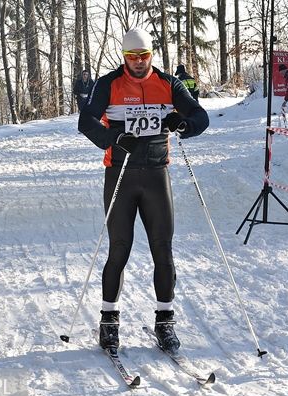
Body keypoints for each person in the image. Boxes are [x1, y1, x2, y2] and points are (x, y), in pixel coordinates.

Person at [78, 28, 209, 353]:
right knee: (119, 249)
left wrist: (184, 125)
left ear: (152, 54)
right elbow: (86, 120)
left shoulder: (167, 83)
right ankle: (109, 321)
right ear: (124, 57)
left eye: (144, 56)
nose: (138, 62)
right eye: (132, 57)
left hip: (155, 175)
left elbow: (200, 116)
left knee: (162, 251)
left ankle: (165, 322)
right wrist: (113, 139)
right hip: (120, 175)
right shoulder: (109, 83)